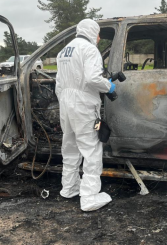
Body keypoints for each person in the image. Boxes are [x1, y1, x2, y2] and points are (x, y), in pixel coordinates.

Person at [55, 19, 115, 211]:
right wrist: (109, 86)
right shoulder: (89, 50)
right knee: (91, 149)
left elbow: (58, 84)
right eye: (98, 34)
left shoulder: (64, 51)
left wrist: (66, 101)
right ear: (92, 32)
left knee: (70, 145)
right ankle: (89, 197)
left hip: (65, 102)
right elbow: (92, 78)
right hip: (83, 104)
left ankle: (69, 188)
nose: (98, 38)